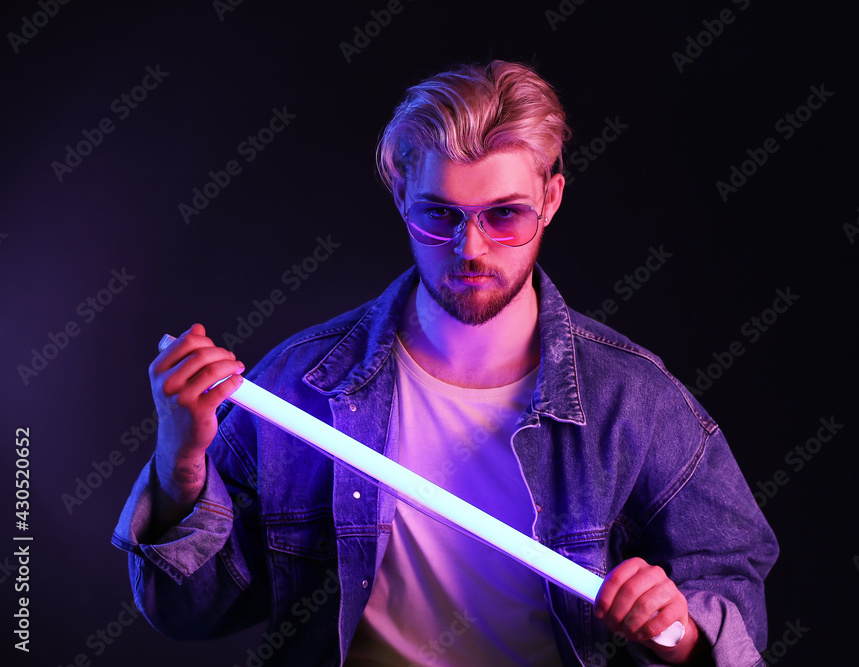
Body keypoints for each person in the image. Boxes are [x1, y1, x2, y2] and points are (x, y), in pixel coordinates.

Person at [113, 60, 778, 666]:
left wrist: (680, 631)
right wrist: (180, 464)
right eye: (440, 214)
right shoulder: (299, 385)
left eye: (505, 215)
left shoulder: (633, 400)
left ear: (551, 199)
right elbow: (188, 614)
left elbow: (731, 591)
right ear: (402, 194)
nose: (471, 247)